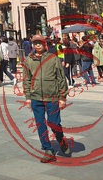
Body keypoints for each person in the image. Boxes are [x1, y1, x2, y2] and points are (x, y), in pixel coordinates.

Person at [23, 34, 71, 163]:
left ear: (44, 44)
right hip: (36, 97)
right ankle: (48, 150)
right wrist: (28, 97)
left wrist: (62, 97)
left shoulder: (53, 58)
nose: (37, 45)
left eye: (40, 43)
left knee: (54, 123)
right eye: (35, 43)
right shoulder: (29, 60)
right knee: (40, 124)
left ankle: (61, 141)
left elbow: (61, 78)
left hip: (52, 97)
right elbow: (27, 79)